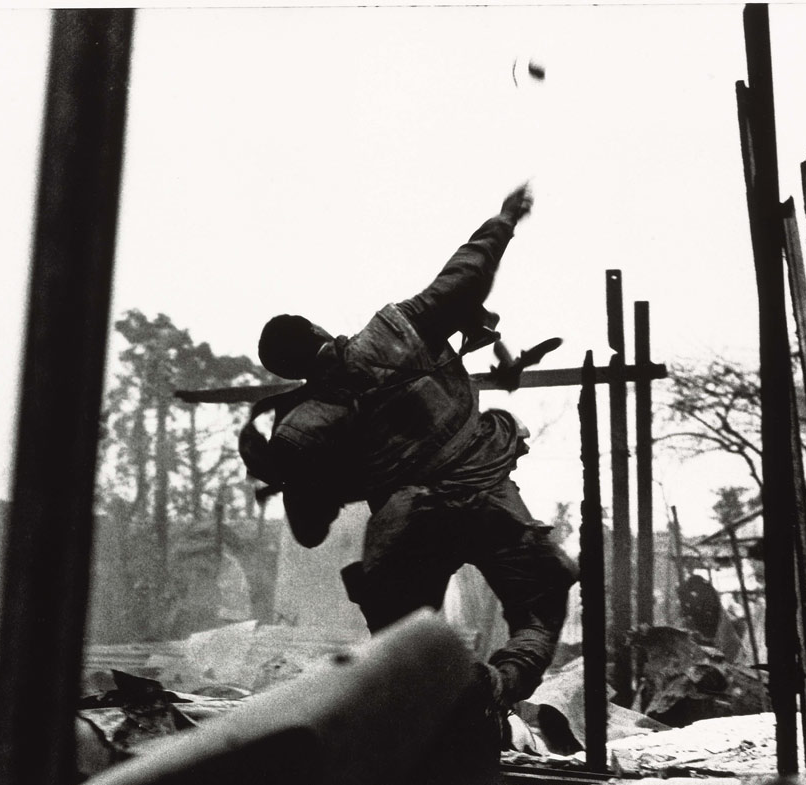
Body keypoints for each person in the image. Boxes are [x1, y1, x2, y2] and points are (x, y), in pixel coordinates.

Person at [239, 183, 576, 713]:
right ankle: (500, 685)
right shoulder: (394, 331)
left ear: (284, 371)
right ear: (316, 328)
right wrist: (505, 218)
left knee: (404, 643)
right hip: (485, 494)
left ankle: (457, 700)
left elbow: (308, 531)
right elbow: (465, 276)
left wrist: (313, 478)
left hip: (407, 525)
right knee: (539, 607)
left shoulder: (303, 426)